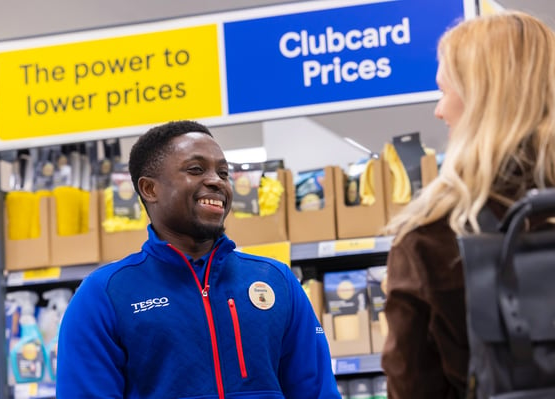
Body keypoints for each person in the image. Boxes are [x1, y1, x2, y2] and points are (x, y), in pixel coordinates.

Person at [56, 120, 341, 399]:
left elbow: (317, 391)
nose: (216, 181)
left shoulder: (276, 281)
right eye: (196, 169)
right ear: (149, 189)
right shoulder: (104, 294)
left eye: (223, 173)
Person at [380, 11, 555, 399]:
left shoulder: (431, 237)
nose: (439, 110)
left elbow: (412, 387)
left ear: (480, 101)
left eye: (445, 90)